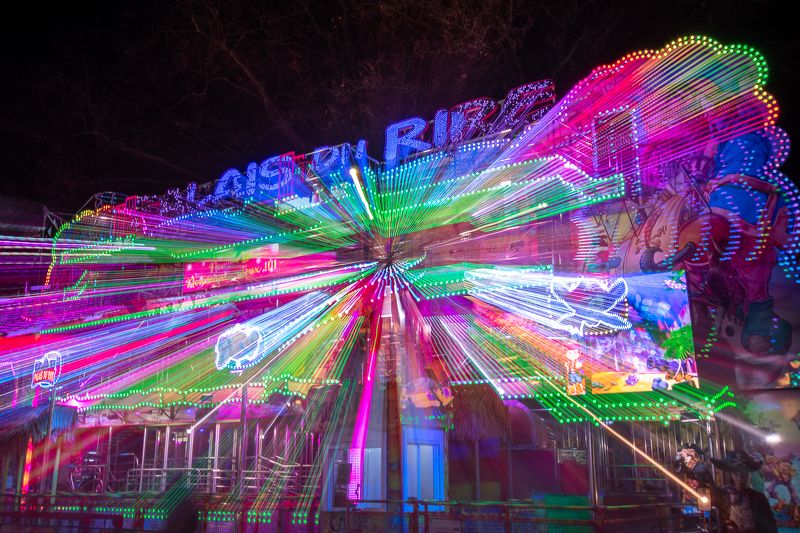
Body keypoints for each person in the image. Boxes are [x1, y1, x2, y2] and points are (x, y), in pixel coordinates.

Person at [711, 450, 777, 533]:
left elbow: (770, 526)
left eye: (743, 474)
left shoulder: (758, 498)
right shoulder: (721, 496)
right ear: (731, 474)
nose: (740, 478)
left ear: (748, 474)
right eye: (736, 474)